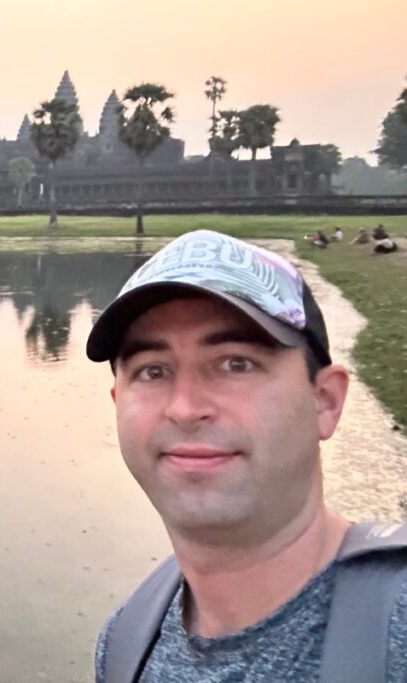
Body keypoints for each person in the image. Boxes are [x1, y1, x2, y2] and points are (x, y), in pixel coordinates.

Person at [86, 230, 407, 682]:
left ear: (325, 401)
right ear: (118, 403)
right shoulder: (128, 643)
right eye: (152, 371)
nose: (185, 408)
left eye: (236, 363)